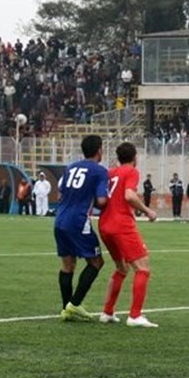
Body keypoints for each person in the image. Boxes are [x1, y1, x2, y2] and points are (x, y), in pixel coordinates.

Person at [98, 142, 159, 327]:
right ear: (135, 157)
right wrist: (147, 211)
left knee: (121, 268)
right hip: (121, 224)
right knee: (143, 268)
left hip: (104, 224)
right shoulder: (131, 171)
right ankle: (135, 315)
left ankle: (107, 312)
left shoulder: (111, 172)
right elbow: (129, 196)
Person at [54, 135, 109, 321]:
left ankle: (66, 309)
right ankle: (74, 304)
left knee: (67, 265)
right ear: (99, 150)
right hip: (78, 222)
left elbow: (60, 190)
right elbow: (101, 200)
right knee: (96, 262)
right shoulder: (100, 171)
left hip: (60, 219)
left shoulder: (71, 167)